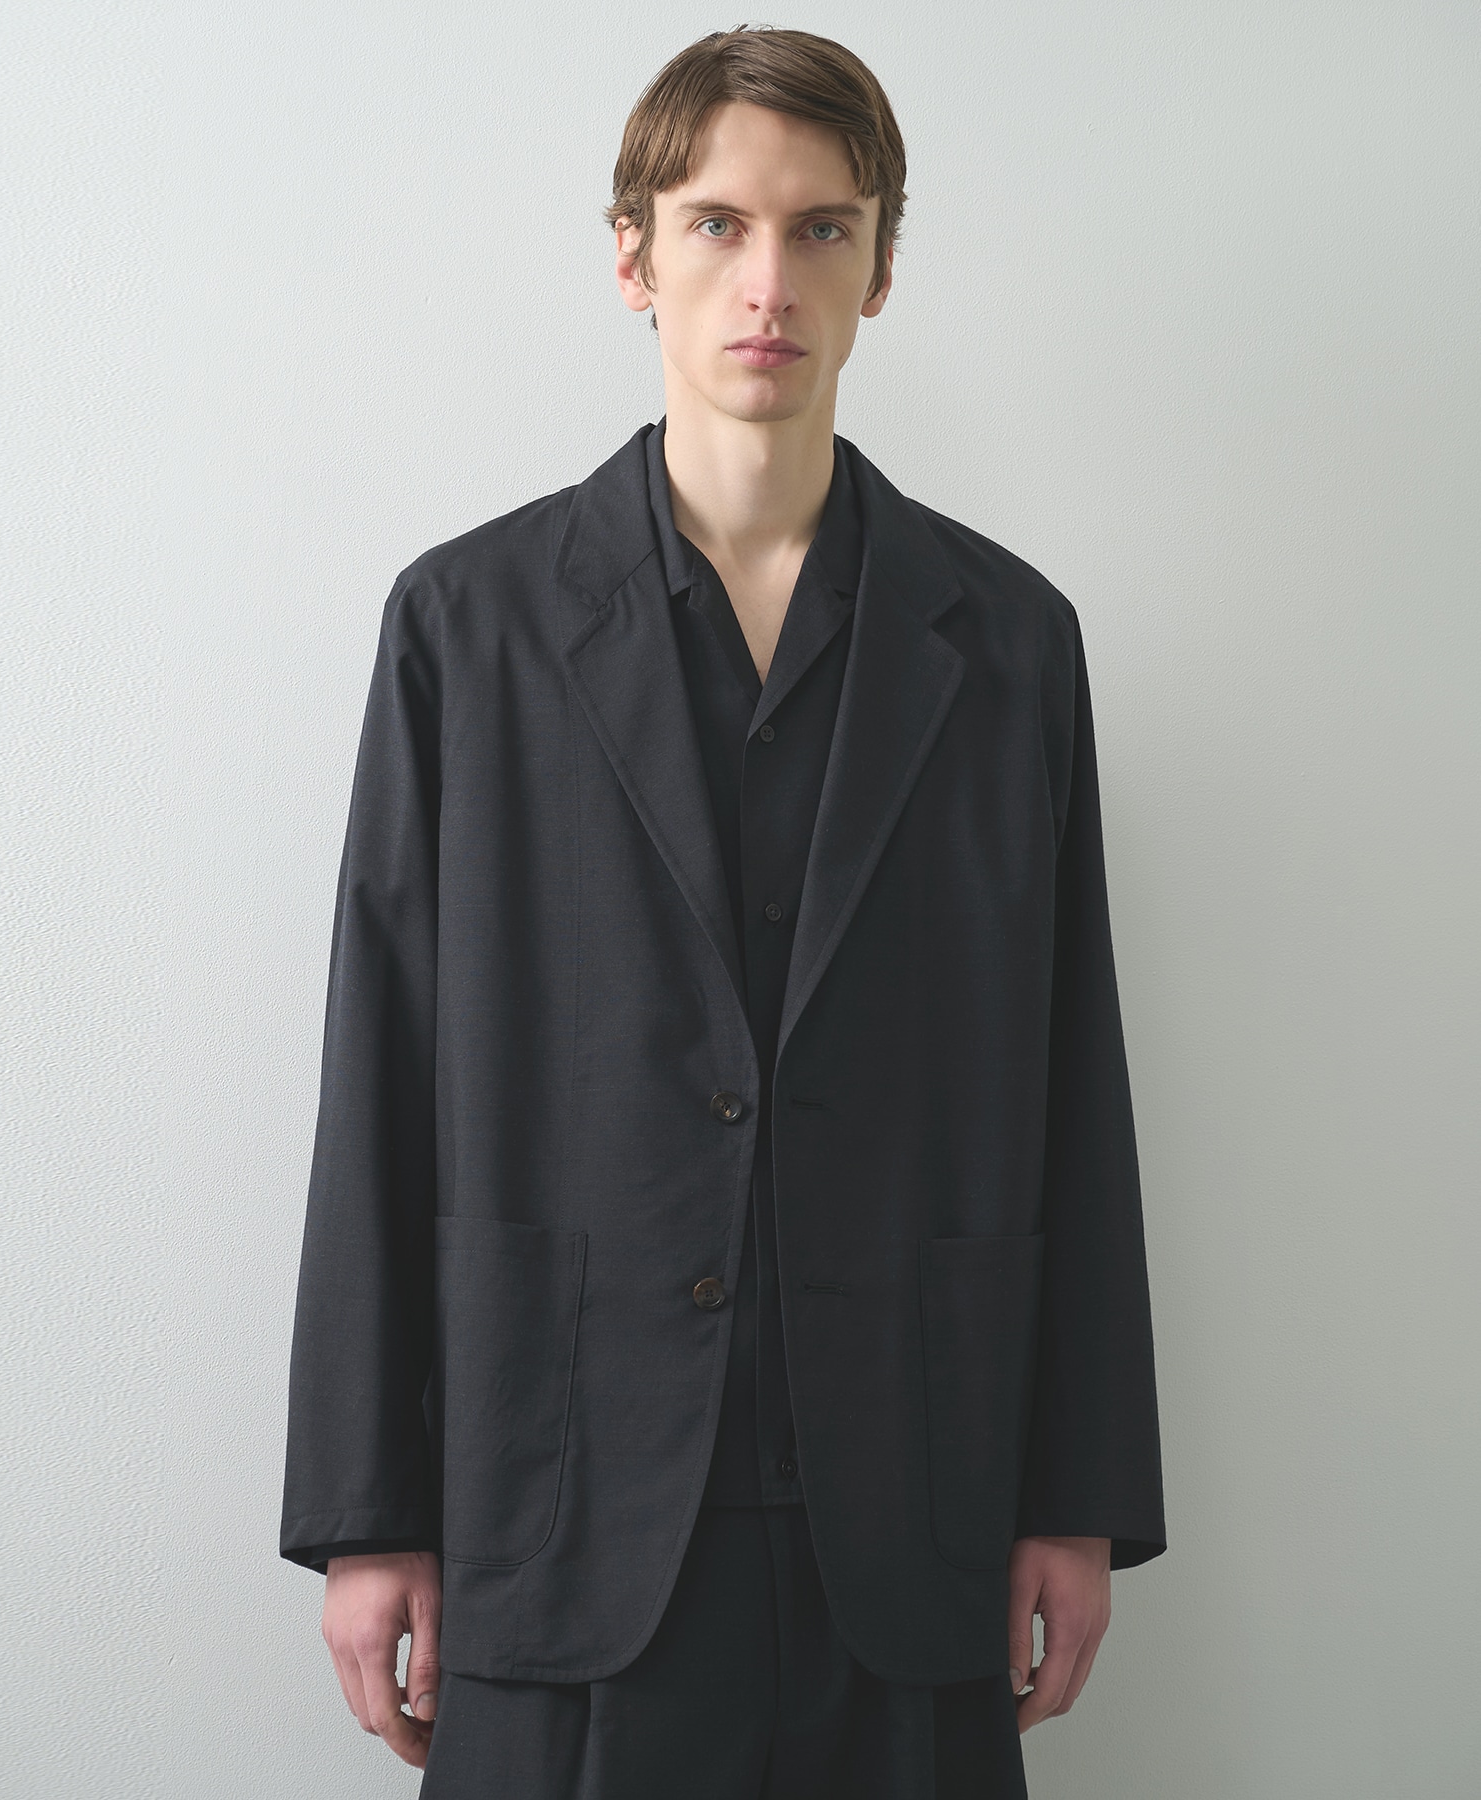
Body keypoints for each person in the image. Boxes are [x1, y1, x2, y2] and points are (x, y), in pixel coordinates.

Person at [280, 25, 1166, 1799]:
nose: (772, 282)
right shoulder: (467, 629)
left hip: (912, 1503)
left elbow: (1076, 1078)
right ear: (634, 256)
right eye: (717, 224)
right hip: (557, 1502)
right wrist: (368, 1513)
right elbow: (382, 1069)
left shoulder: (1008, 642)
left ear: (881, 268)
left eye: (824, 229)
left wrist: (1078, 1495)